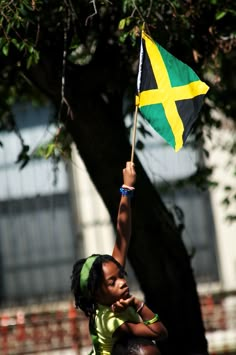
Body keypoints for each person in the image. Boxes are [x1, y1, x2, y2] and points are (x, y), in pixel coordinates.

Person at [71, 161, 168, 354]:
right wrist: (136, 303)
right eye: (112, 282)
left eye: (121, 276)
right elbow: (160, 332)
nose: (122, 283)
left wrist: (127, 189)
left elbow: (123, 235)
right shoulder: (111, 321)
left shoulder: (109, 294)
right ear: (97, 294)